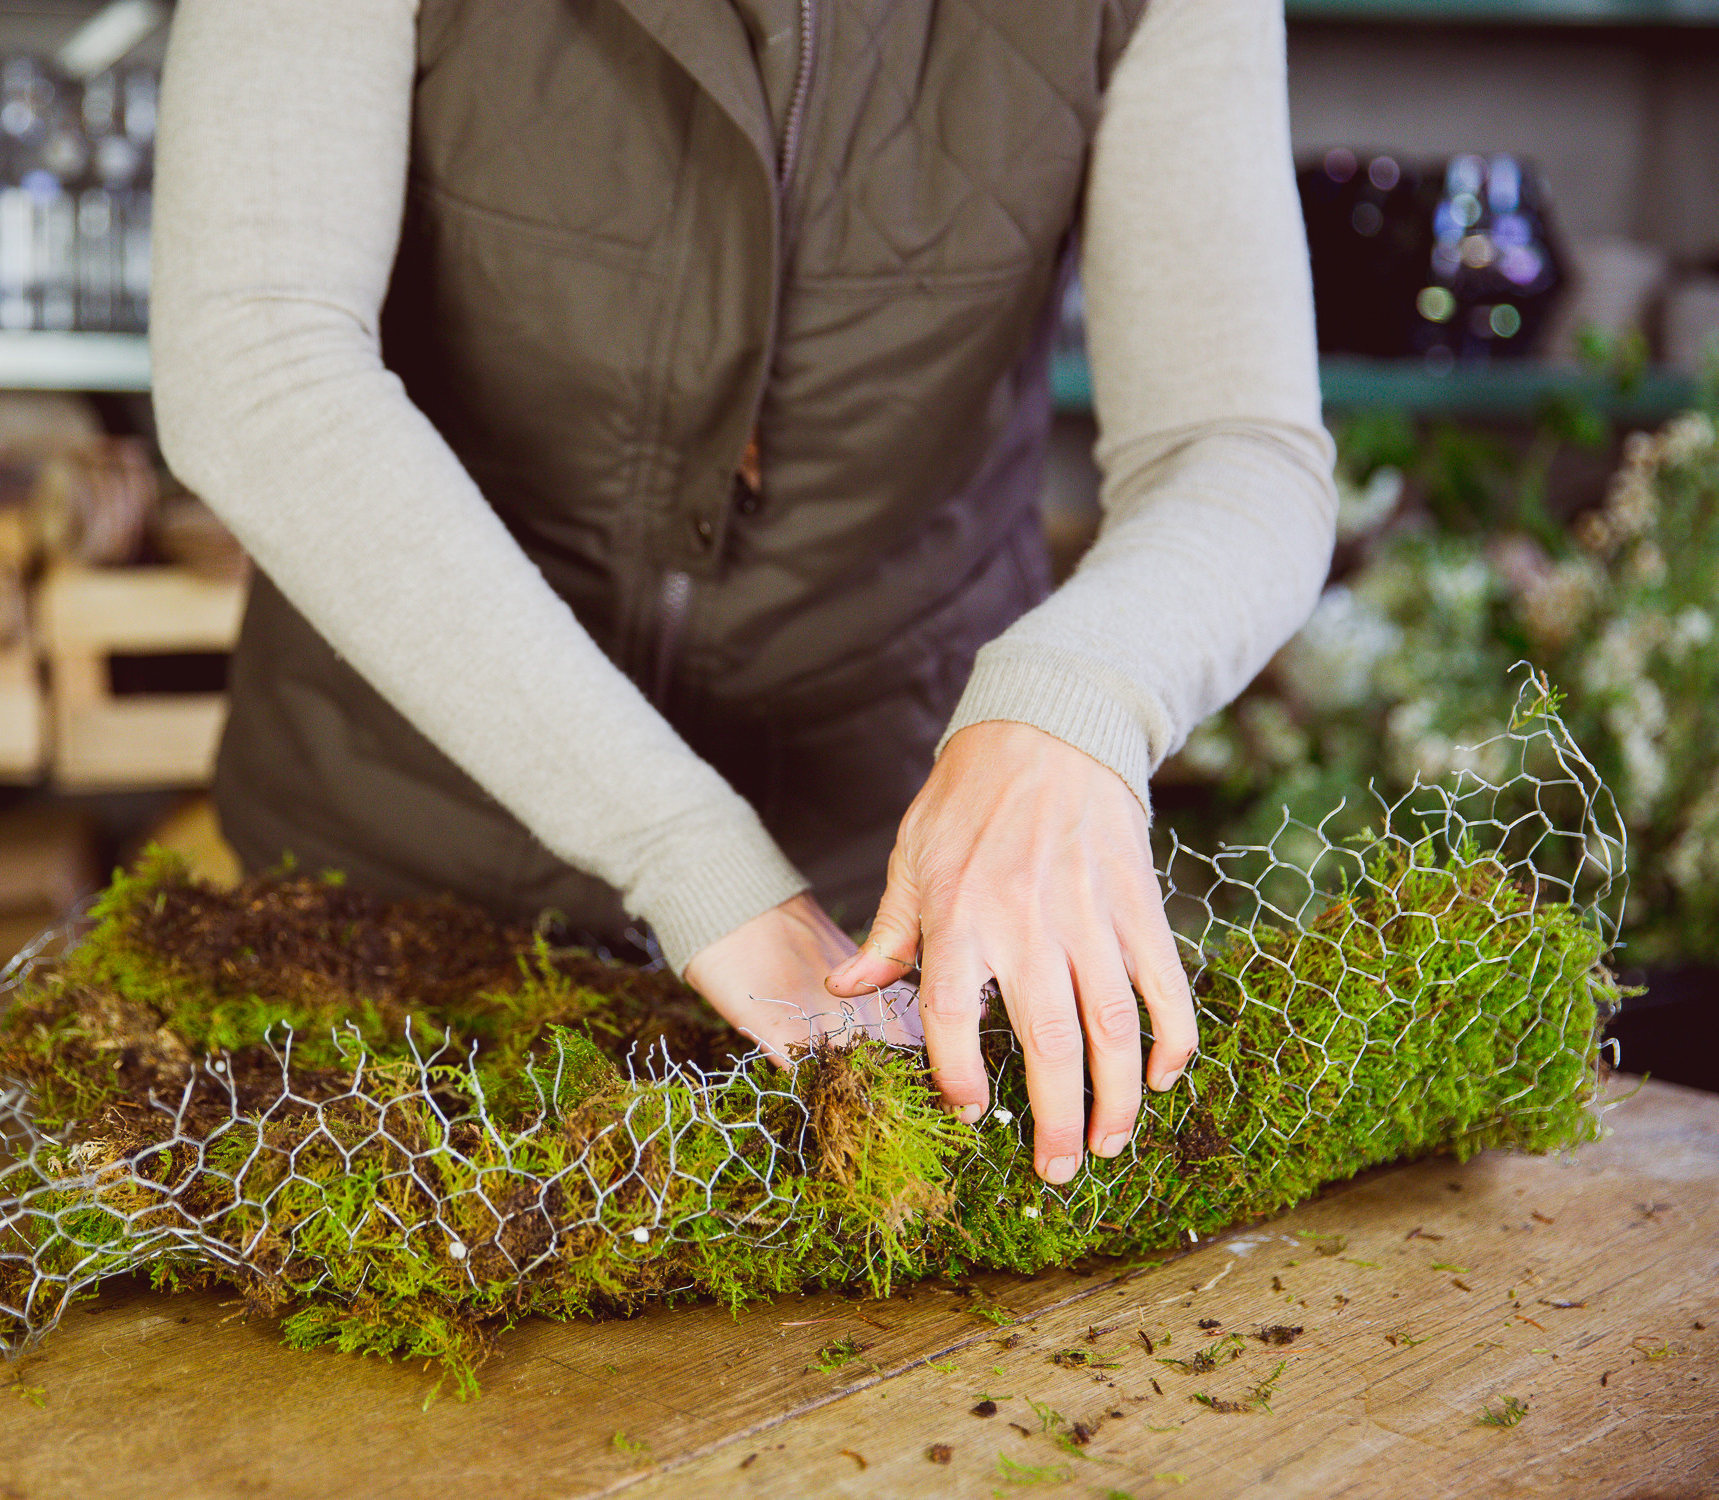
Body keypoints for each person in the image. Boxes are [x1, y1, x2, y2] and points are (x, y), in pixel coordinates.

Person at [150, 0, 1336, 1190]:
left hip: (874, 913)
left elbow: (1236, 443)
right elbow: (257, 357)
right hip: (392, 868)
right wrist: (688, 852)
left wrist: (1070, 704)